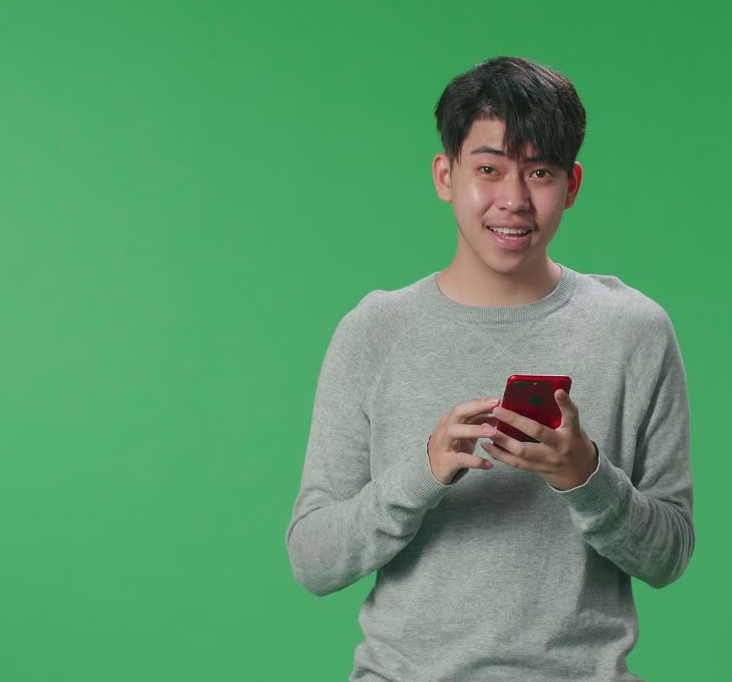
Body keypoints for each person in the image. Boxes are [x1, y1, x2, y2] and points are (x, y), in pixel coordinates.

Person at [285, 55, 695, 682]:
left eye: (540, 172)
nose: (514, 199)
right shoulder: (375, 331)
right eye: (488, 169)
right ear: (445, 175)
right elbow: (313, 560)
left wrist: (585, 475)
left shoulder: (634, 330)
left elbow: (669, 555)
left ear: (572, 185)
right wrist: (422, 473)